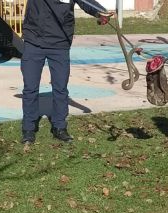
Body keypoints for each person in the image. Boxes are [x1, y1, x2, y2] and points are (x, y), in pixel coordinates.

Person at [21, 0, 112, 144]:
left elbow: (86, 2)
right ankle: (28, 129)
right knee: (30, 88)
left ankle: (59, 127)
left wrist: (100, 12)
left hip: (60, 43)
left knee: (60, 88)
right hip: (34, 41)